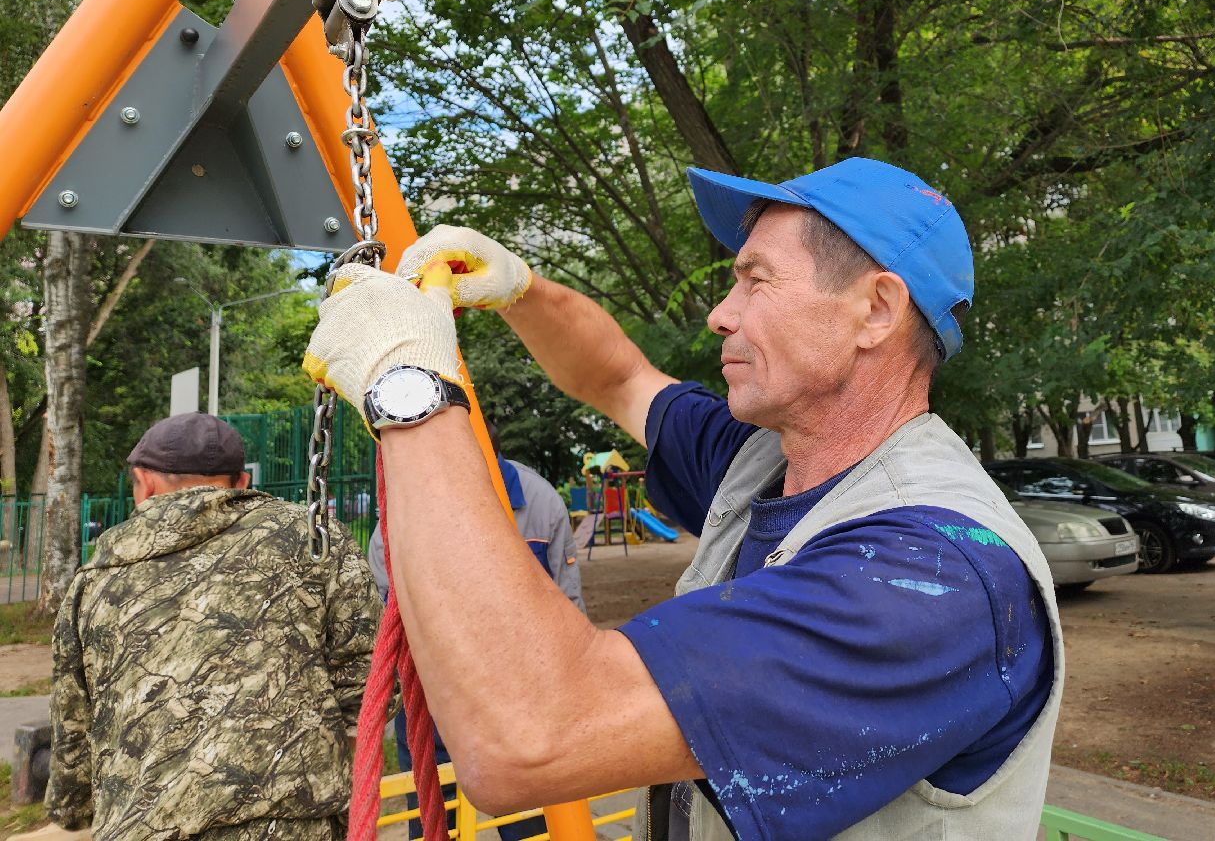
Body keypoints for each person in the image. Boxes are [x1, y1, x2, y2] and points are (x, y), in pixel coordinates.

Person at [304, 157, 1064, 840]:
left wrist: (406, 383)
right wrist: (521, 290)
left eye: (756, 280)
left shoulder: (933, 572)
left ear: (876, 310)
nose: (721, 313)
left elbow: (529, 733)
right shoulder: (766, 462)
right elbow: (618, 378)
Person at [46, 413, 380, 841]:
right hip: (291, 822)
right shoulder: (313, 539)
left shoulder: (93, 582)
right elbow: (369, 673)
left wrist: (72, 807)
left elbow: (73, 719)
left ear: (144, 483)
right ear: (242, 483)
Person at [368, 422, 584, 841]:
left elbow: (567, 601)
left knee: (530, 816)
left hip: (520, 694)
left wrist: (567, 685)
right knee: (433, 814)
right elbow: (387, 610)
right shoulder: (404, 509)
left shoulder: (539, 504)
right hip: (435, 694)